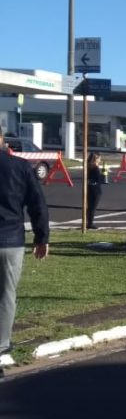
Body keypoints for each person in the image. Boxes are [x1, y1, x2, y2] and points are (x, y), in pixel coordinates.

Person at [0, 132, 50, 377]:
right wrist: (42, 238)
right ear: (2, 140)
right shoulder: (20, 167)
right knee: (6, 294)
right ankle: (1, 345)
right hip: (10, 240)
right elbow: (37, 204)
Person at [86, 152, 105, 229]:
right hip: (96, 190)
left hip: (89, 188)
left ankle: (88, 222)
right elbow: (99, 180)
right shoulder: (96, 168)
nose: (100, 160)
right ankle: (90, 223)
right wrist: (104, 175)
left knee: (90, 207)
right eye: (99, 158)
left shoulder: (88, 167)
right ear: (96, 159)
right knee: (92, 208)